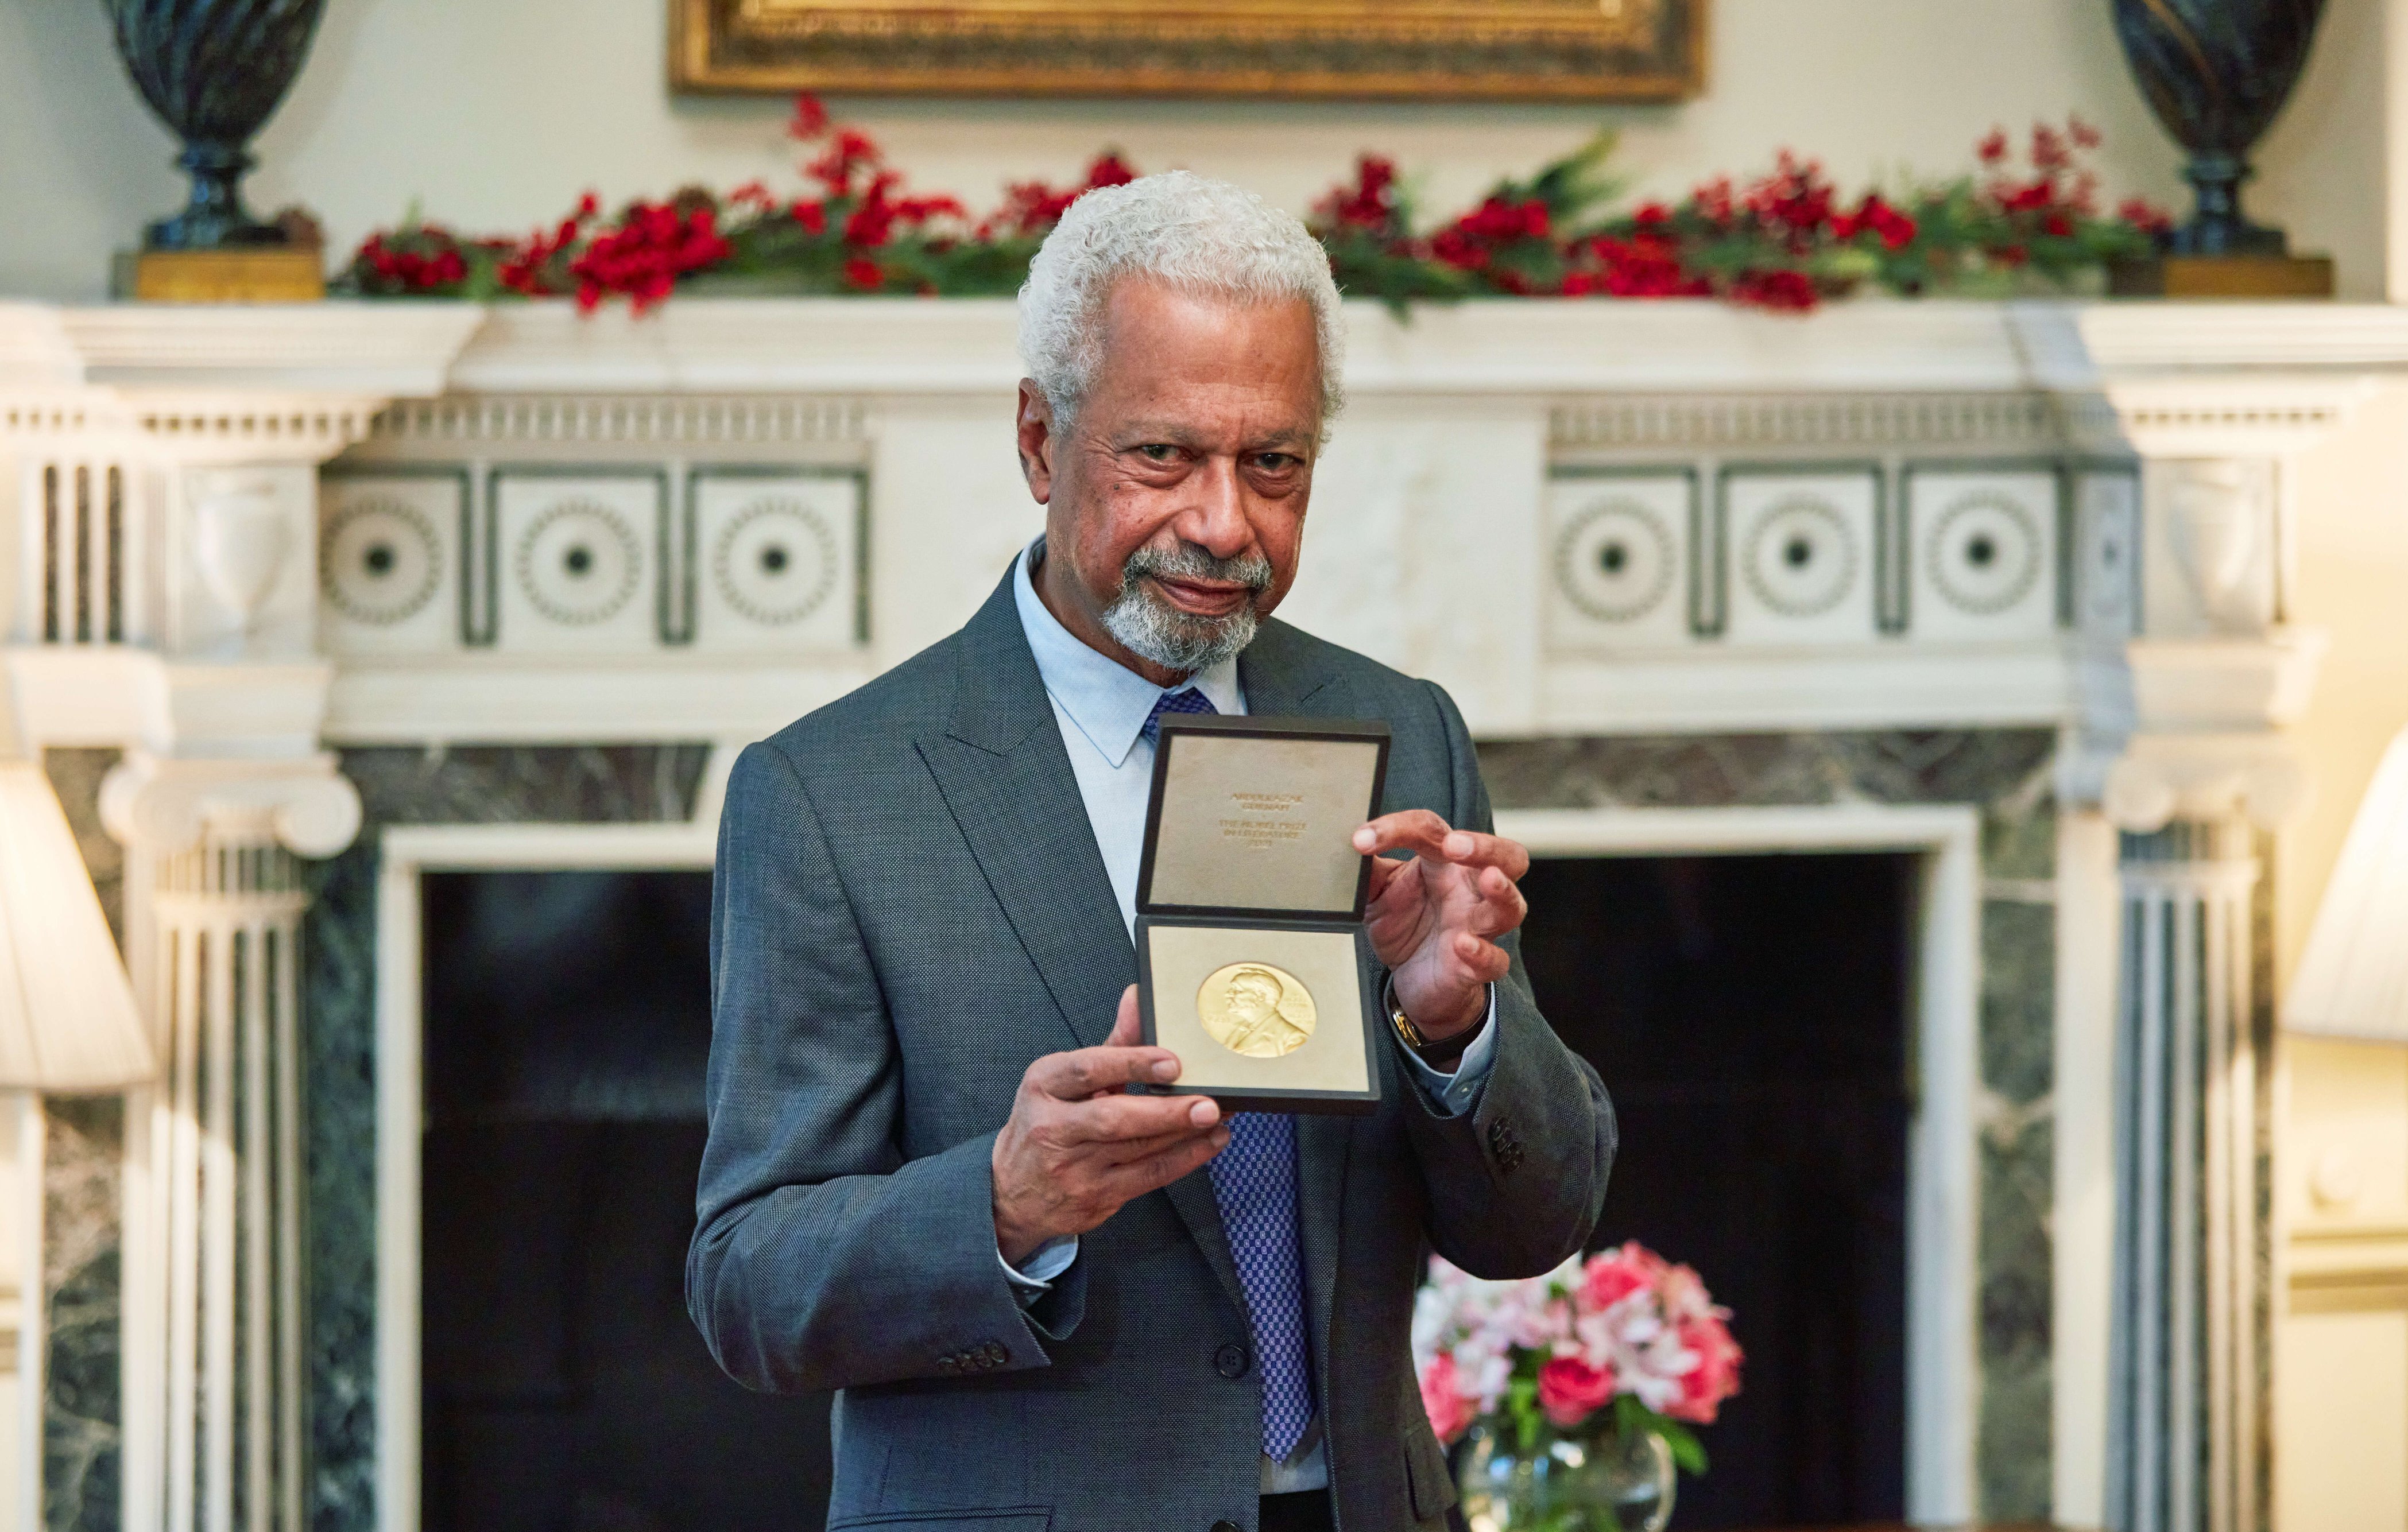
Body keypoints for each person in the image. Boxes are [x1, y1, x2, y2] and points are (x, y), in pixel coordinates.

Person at [690, 170, 1616, 1532]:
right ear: (1037, 440)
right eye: (1163, 456)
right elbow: (745, 1285)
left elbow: (1536, 1222)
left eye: (1274, 464)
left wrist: (1454, 1025)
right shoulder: (830, 794)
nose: (1224, 525)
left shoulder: (1401, 734)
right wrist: (1002, 1205)